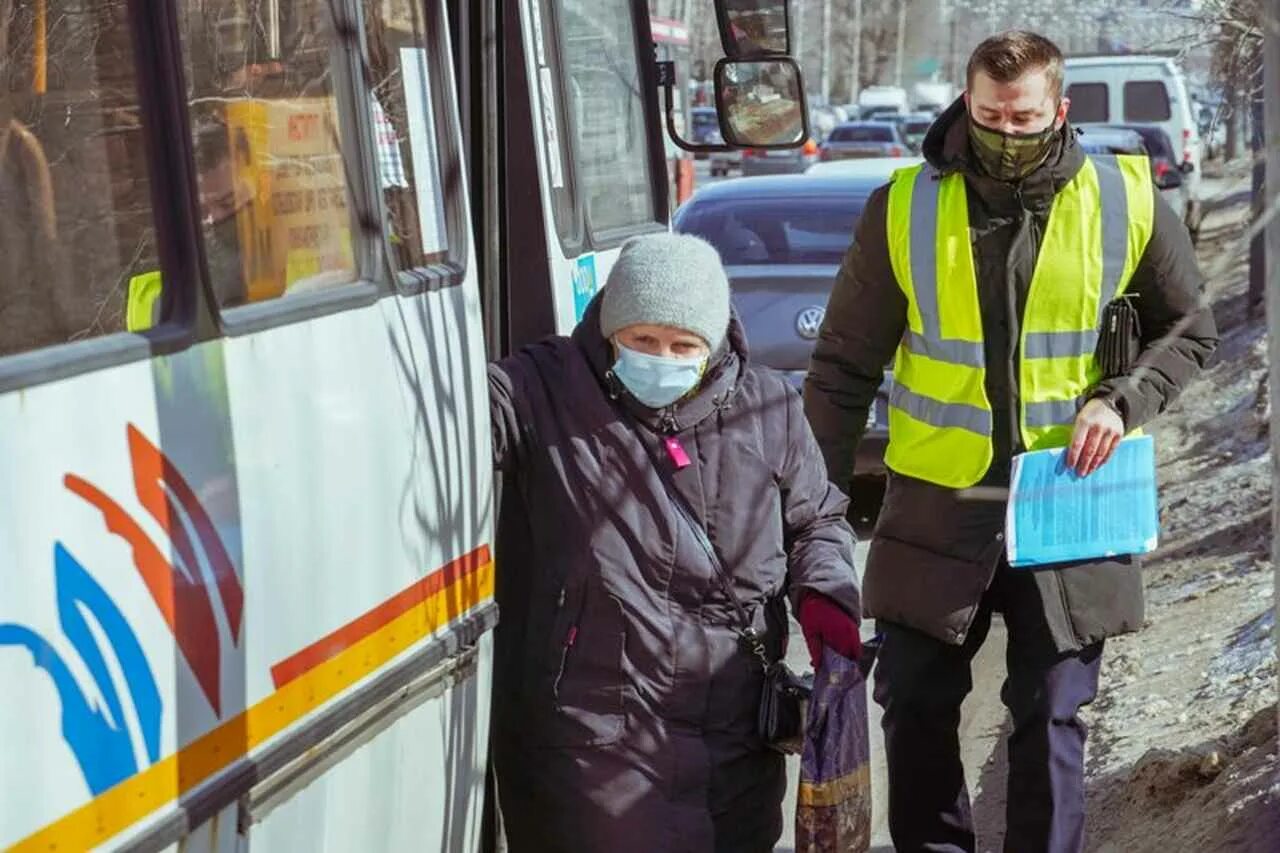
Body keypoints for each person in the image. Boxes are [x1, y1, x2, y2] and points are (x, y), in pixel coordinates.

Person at [804, 31, 1218, 853]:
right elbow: (844, 365)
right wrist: (813, 507)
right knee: (914, 705)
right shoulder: (905, 205)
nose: (1005, 132)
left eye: (1024, 118)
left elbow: (1190, 328)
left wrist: (1121, 401)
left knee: (1053, 712)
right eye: (989, 116)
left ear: (1059, 110)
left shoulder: (1124, 198)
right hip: (936, 508)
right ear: (965, 103)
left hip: (1068, 502)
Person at [488, 233, 861, 853]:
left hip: (736, 732)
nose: (661, 358)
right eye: (641, 341)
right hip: (595, 735)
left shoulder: (767, 406)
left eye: (682, 345)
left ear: (711, 345)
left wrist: (827, 595)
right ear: (610, 329)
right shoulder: (542, 389)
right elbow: (453, 417)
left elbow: (817, 520)